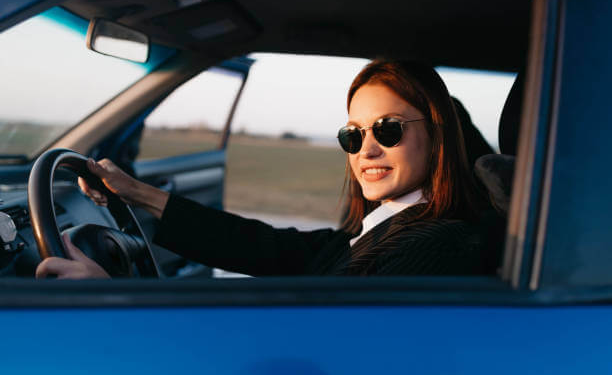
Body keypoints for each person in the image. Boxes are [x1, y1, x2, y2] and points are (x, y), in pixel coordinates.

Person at [36, 59, 486, 279]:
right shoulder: (384, 226)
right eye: (353, 134)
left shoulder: (440, 246)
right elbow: (266, 246)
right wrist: (137, 192)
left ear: (438, 135)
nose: (365, 150)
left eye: (387, 129)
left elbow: (301, 340)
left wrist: (112, 301)